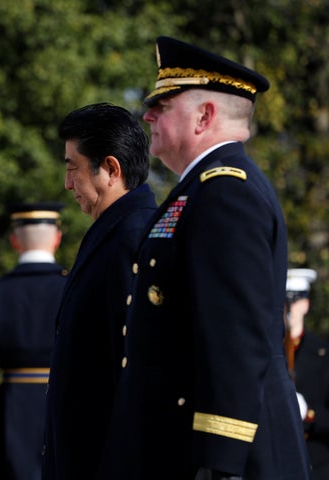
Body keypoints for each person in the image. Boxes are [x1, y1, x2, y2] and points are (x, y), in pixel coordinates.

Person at [98, 36, 312, 479]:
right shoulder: (200, 190)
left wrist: (220, 461)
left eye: (163, 103)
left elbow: (235, 340)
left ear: (204, 116)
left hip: (227, 455)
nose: (147, 114)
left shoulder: (225, 194)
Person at [41, 103, 157, 479]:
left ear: (110, 169)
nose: (67, 182)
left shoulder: (133, 236)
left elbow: (132, 368)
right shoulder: (113, 232)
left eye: (73, 167)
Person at [0, 202, 68, 480]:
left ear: (14, 241)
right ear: (57, 238)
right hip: (67, 405)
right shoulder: (75, 286)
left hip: (13, 413)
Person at [285, 268, 329, 478]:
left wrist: (309, 414)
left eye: (294, 300)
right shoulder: (268, 351)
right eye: (284, 301)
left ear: (305, 304)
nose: (288, 308)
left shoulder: (323, 353)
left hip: (316, 463)